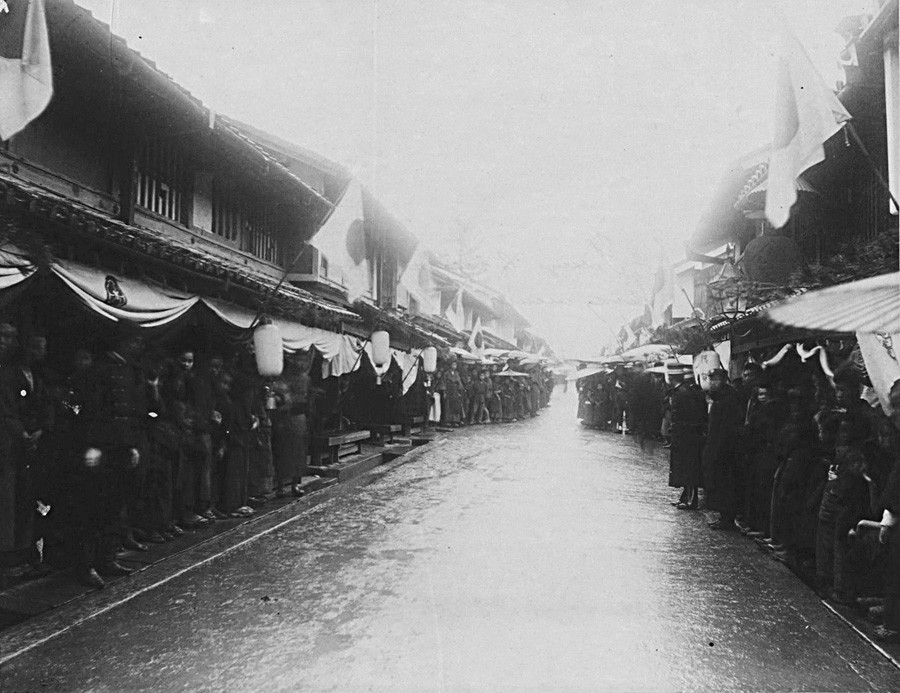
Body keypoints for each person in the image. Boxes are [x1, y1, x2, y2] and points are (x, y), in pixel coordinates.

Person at [701, 369, 743, 531]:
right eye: (710, 379)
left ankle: (727, 518)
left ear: (724, 380)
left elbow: (727, 428)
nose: (713, 382)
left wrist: (718, 449)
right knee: (718, 483)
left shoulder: (728, 398)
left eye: (716, 379)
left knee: (725, 484)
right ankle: (723, 517)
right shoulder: (718, 398)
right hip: (716, 446)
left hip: (725, 450)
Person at [667, 370, 706, 510]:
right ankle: (685, 497)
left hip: (685, 435)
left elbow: (678, 417)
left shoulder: (681, 394)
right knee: (686, 467)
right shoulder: (689, 392)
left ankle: (690, 500)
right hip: (689, 435)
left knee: (689, 469)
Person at [439, 361, 464, 426]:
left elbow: (459, 382)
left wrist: (459, 391)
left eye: (455, 365)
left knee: (455, 405)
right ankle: (448, 421)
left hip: (455, 390)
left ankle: (455, 421)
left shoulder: (457, 373)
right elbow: (443, 382)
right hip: (448, 390)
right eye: (453, 364)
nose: (454, 366)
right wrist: (444, 392)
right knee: (448, 405)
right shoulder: (446, 373)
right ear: (450, 365)